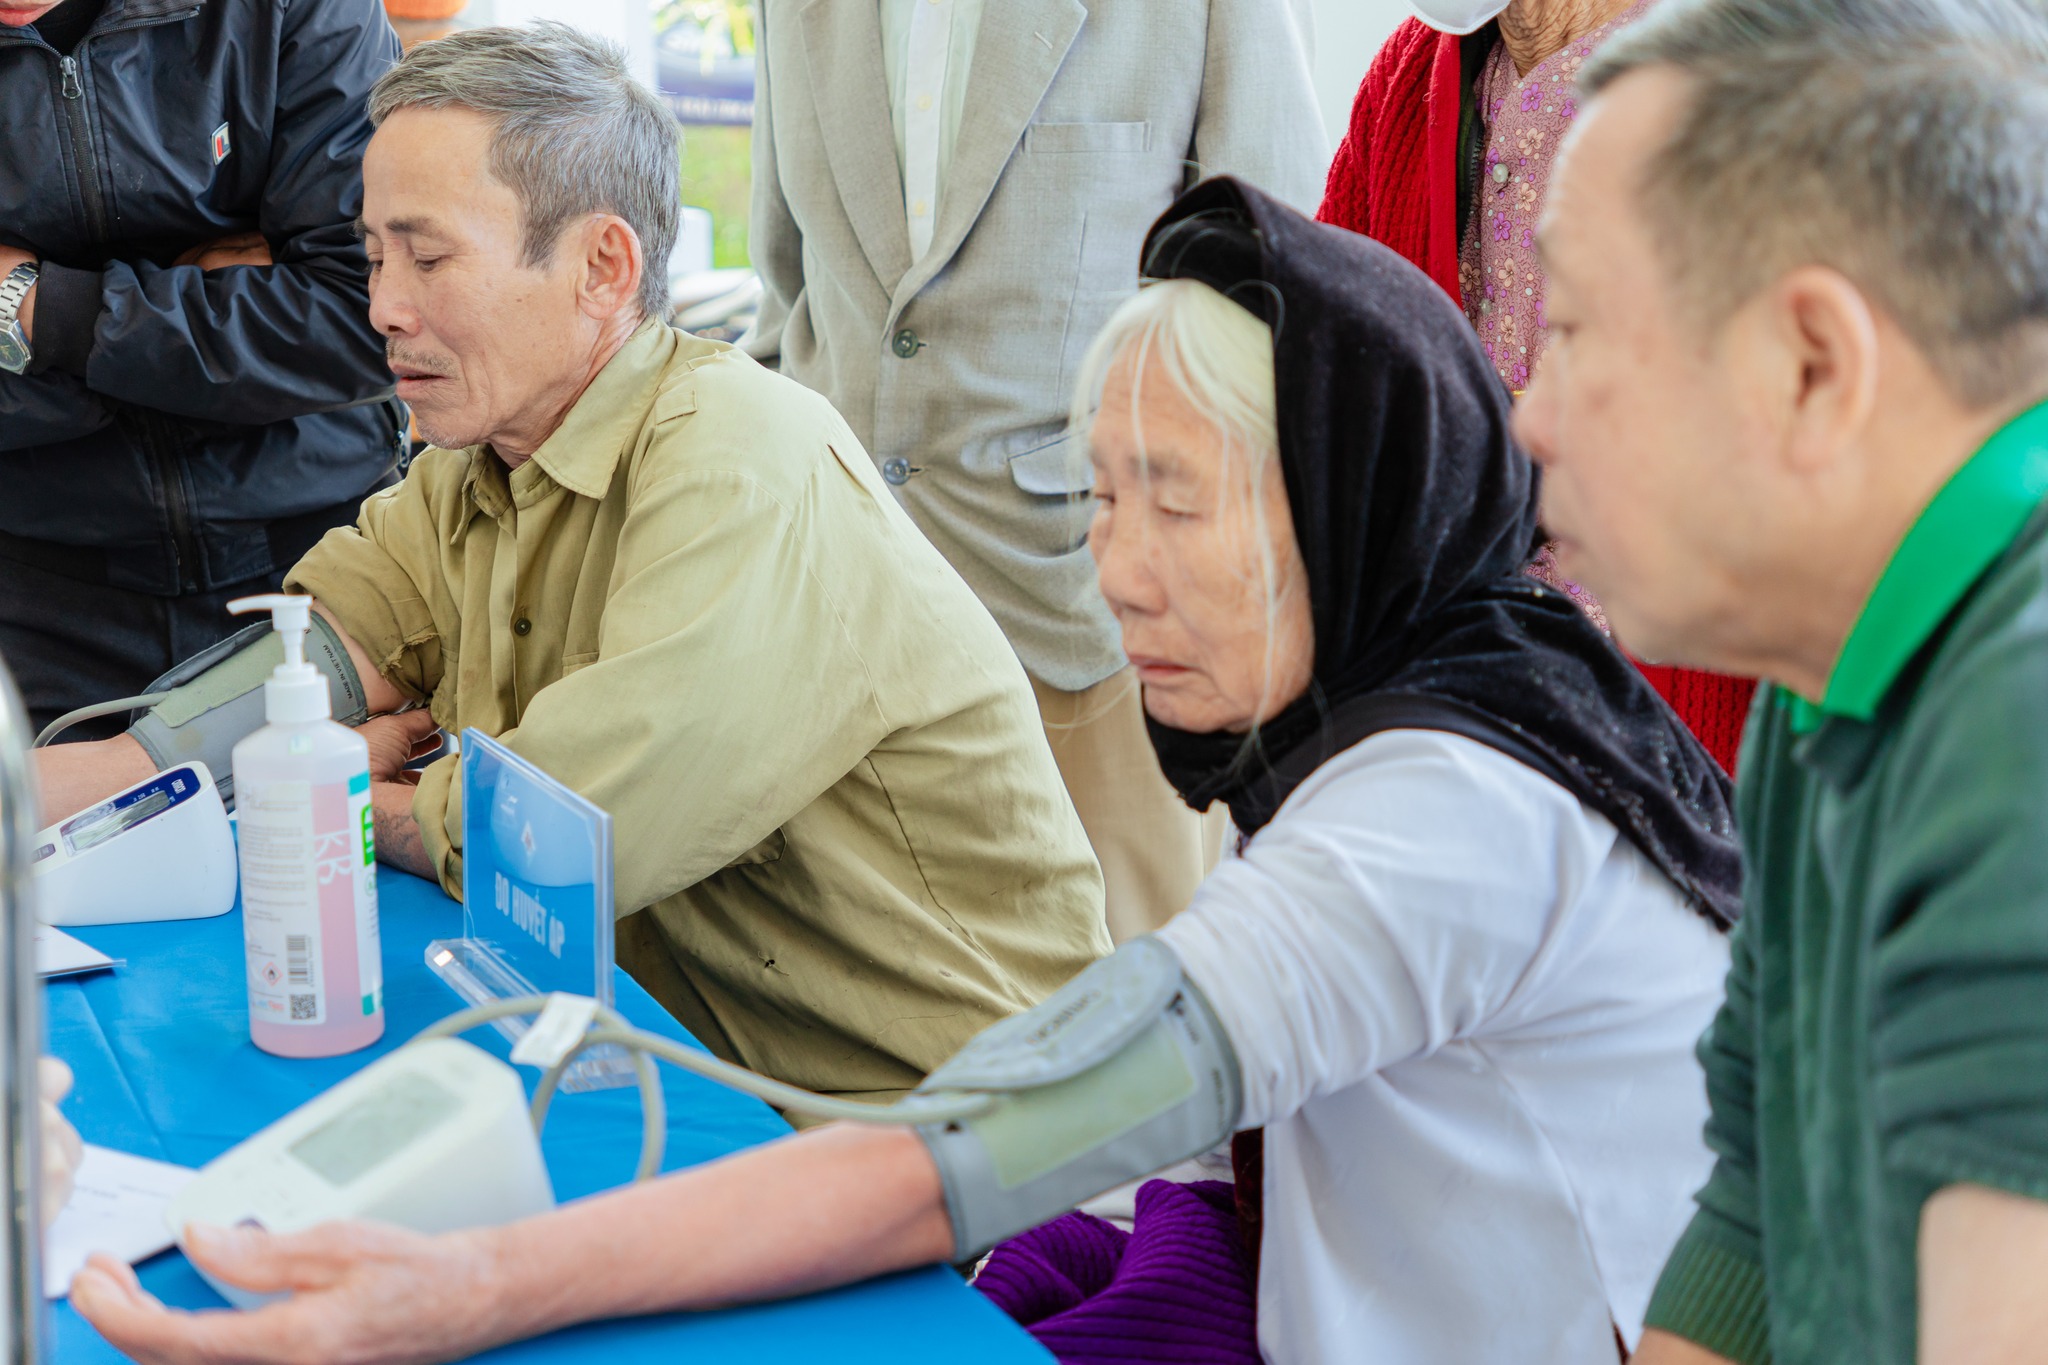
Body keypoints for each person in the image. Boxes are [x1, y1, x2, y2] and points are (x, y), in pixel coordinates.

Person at [70, 178, 1742, 1365]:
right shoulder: (1422, 722)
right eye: (1098, 499)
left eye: (1176, 499)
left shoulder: (1442, 815)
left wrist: (465, 1285)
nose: (1118, 571)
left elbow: (974, 1147)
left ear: (1353, 499)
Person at [34, 25, 1110, 1107]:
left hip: (944, 1120)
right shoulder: (473, 465)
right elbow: (305, 661)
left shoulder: (739, 458)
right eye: (372, 256)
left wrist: (345, 791)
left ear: (603, 267)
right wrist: (115, 777)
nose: (383, 307)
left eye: (428, 258)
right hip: (700, 1074)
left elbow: (563, 845)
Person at [1509, 0, 2048, 1360]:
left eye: (1571, 330)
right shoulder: (1825, 683)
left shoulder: (2018, 734)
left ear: (1812, 367)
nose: (1527, 415)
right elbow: (1760, 1200)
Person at [744, 0, 1329, 940]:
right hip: (835, 613)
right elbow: (786, 299)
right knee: (864, 988)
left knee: (1122, 990)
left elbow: (1268, 290)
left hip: (1092, 614)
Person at [1315, 0, 1758, 772]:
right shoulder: (1404, 81)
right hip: (1438, 730)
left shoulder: (1749, 83)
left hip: (1666, 745)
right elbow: (1319, 386)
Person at [0, 0, 406, 736]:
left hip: (333, 562)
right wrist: (211, 312)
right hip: (38, 602)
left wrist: (38, 309)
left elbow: (368, 314)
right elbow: (311, 325)